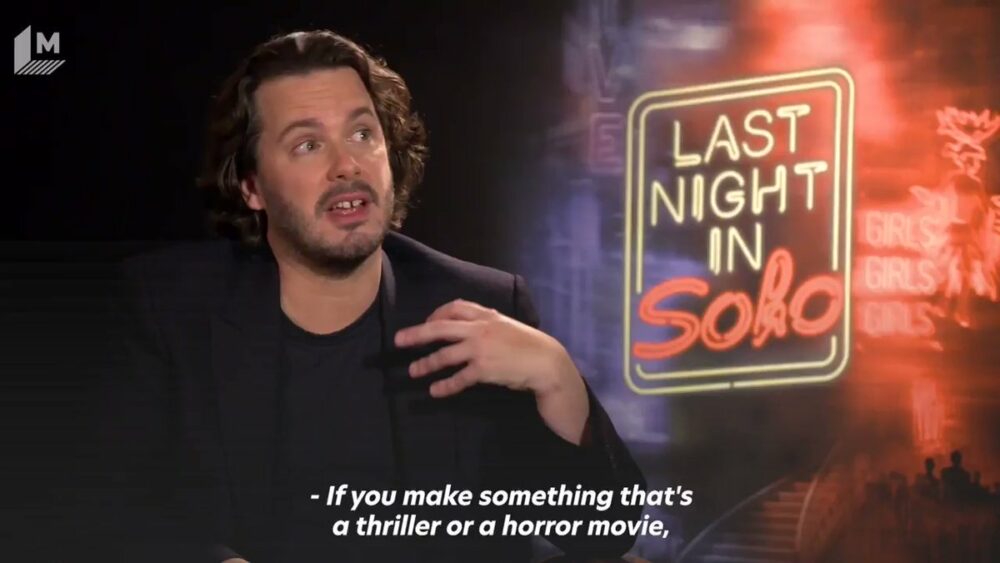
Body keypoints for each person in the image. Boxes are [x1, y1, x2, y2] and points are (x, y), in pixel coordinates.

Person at [91, 29, 646, 563]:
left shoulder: (480, 306)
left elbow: (605, 533)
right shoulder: (169, 308)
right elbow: (109, 509)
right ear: (252, 186)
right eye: (308, 145)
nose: (347, 166)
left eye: (362, 134)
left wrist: (557, 377)